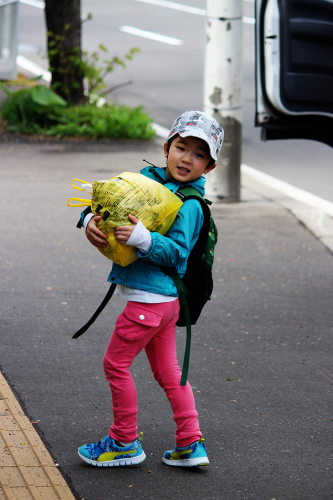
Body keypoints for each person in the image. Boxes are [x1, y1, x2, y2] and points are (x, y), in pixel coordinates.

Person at [77, 110, 224, 468]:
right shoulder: (148, 181)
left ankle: (124, 440)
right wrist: (88, 220)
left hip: (150, 303)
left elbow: (177, 254)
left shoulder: (191, 205)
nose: (187, 158)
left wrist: (144, 239)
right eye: (182, 147)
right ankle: (191, 443)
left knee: (115, 364)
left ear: (210, 166)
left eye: (199, 154)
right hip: (162, 305)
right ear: (166, 147)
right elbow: (108, 203)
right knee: (170, 373)